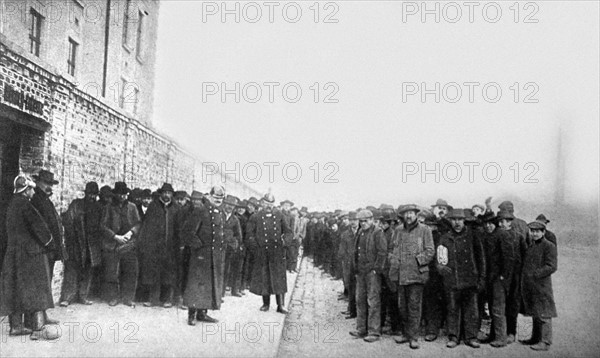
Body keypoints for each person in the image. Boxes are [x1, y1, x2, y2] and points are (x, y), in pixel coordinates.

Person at [0, 175, 59, 340]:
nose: (33, 191)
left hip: (13, 253)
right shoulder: (26, 206)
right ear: (26, 191)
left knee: (16, 290)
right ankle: (37, 328)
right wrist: (50, 244)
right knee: (36, 289)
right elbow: (40, 229)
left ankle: (16, 327)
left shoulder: (12, 205)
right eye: (31, 189)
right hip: (30, 254)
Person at [437, 209, 486, 349]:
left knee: (471, 310)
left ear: (464, 221)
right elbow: (439, 258)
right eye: (453, 220)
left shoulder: (473, 236)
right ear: (450, 221)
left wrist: (481, 278)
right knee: (452, 309)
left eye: (459, 219)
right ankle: (454, 337)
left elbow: (481, 259)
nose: (457, 222)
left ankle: (471, 337)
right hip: (452, 280)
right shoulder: (444, 238)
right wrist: (440, 268)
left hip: (470, 280)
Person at [389, 204, 434, 349]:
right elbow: (392, 248)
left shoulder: (424, 230)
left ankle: (413, 337)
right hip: (401, 275)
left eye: (411, 213)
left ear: (416, 214)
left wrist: (416, 261)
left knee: (414, 306)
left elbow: (430, 251)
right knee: (402, 307)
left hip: (416, 275)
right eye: (406, 213)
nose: (408, 216)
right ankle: (405, 334)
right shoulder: (398, 230)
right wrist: (394, 260)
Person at [182, 185, 226, 325]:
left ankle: (203, 313)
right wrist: (198, 247)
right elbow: (188, 232)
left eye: (221, 198)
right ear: (209, 196)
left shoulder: (220, 213)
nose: (218, 200)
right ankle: (191, 315)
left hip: (214, 256)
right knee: (196, 284)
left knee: (209, 285)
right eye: (216, 197)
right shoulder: (200, 210)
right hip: (200, 256)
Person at [59, 182, 103, 306]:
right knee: (72, 269)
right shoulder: (76, 204)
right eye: (90, 194)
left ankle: (83, 296)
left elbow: (102, 226)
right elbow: (67, 220)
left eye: (94, 195)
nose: (92, 197)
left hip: (92, 244)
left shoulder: (99, 208)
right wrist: (73, 236)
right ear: (85, 193)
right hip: (77, 243)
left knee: (88, 270)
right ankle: (67, 297)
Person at [246, 193, 291, 314]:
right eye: (266, 203)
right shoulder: (256, 217)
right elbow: (249, 234)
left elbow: (288, 232)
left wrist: (285, 242)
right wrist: (255, 248)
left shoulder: (279, 215)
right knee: (264, 278)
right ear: (262, 203)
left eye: (271, 204)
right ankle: (266, 304)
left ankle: (280, 305)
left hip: (277, 252)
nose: (269, 206)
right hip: (262, 252)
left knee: (279, 279)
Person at [138, 183, 180, 308]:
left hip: (170, 246)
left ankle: (166, 299)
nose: (167, 195)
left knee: (168, 273)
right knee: (152, 273)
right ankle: (151, 299)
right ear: (161, 193)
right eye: (165, 192)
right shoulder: (153, 206)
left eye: (169, 193)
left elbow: (178, 228)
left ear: (172, 194)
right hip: (154, 246)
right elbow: (147, 226)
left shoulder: (175, 208)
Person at [100, 182, 141, 307]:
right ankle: (113, 297)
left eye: (124, 194)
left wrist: (130, 233)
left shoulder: (132, 207)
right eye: (119, 194)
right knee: (112, 272)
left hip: (129, 244)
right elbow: (102, 226)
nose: (122, 196)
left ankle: (128, 298)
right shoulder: (108, 207)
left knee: (130, 272)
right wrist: (115, 236)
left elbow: (138, 223)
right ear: (115, 194)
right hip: (113, 244)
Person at [519, 220, 558, 351]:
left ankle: (545, 341)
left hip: (542, 285)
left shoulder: (549, 246)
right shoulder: (531, 245)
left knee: (544, 313)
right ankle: (535, 338)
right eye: (532, 231)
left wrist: (536, 274)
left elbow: (552, 266)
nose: (534, 234)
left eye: (537, 231)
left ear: (543, 232)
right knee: (535, 311)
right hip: (531, 285)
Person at [349, 209, 387, 343]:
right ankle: (361, 329)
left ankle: (374, 331)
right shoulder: (360, 232)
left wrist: (377, 269)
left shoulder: (377, 232)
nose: (363, 223)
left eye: (365, 221)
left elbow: (382, 253)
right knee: (360, 300)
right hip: (361, 272)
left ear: (371, 220)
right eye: (361, 221)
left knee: (373, 301)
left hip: (372, 273)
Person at [478, 211, 515, 347]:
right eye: (485, 223)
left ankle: (501, 338)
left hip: (498, 279)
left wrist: (503, 276)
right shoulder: (487, 236)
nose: (488, 226)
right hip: (489, 278)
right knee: (493, 307)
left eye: (490, 223)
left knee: (498, 309)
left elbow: (509, 258)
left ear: (495, 223)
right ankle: (493, 335)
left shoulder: (503, 235)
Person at [31, 169, 65, 282]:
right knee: (41, 281)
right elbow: (36, 226)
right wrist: (47, 243)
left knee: (47, 279)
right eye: (46, 183)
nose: (49, 186)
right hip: (42, 249)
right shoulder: (35, 199)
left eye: (50, 184)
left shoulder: (46, 200)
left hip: (50, 249)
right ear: (38, 182)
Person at [222, 195, 243, 297]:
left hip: (228, 248)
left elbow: (238, 235)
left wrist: (234, 244)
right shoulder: (218, 215)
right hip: (217, 246)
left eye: (232, 205)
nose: (230, 207)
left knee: (226, 270)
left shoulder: (235, 219)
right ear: (224, 204)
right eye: (228, 204)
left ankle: (221, 294)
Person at [339, 211, 359, 319]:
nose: (353, 222)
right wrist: (344, 261)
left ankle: (357, 311)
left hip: (359, 265)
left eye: (355, 220)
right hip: (348, 264)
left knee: (359, 289)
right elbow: (342, 250)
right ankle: (351, 310)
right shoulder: (345, 234)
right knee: (350, 286)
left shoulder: (361, 232)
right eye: (351, 220)